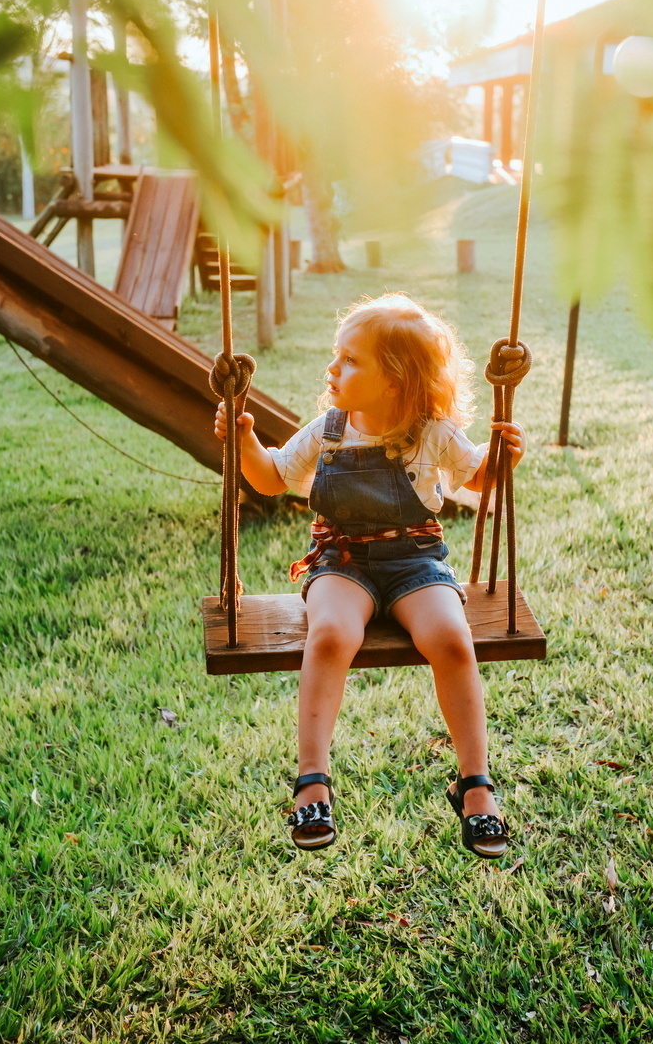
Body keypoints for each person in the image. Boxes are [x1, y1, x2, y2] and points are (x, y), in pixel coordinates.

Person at [215, 293, 526, 858]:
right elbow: (271, 477)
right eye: (337, 355)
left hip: (415, 559)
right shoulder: (328, 431)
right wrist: (243, 441)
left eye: (351, 359)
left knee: (451, 639)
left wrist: (503, 457)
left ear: (395, 381)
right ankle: (313, 779)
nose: (333, 367)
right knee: (332, 634)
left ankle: (474, 783)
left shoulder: (432, 432)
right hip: (343, 560)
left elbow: (478, 479)